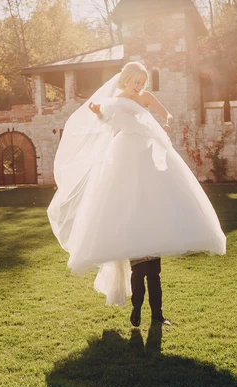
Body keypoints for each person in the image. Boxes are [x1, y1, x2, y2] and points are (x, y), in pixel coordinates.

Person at [47, 62, 226, 324]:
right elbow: (111, 124)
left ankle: (158, 316)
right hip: (126, 154)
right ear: (127, 79)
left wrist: (164, 126)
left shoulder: (144, 99)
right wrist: (99, 114)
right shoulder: (117, 100)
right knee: (138, 269)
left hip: (146, 156)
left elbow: (165, 116)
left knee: (154, 271)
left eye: (143, 83)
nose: (139, 86)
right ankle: (136, 309)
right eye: (136, 82)